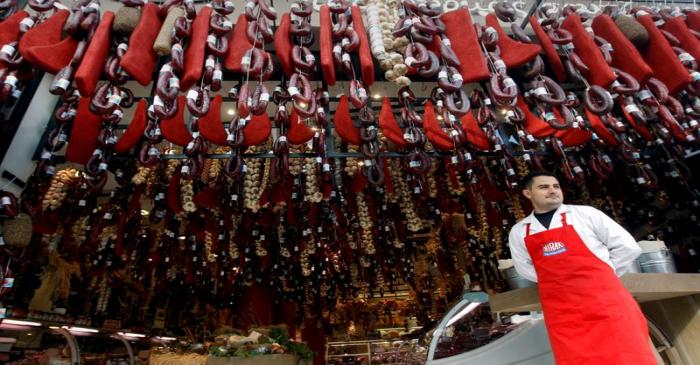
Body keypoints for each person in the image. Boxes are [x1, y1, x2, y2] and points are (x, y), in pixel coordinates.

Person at [508, 171, 656, 365]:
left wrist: (604, 273)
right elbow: (523, 268)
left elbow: (628, 247)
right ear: (528, 194)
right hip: (563, 314)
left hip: (606, 303)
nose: (552, 191)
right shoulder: (520, 230)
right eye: (544, 187)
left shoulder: (585, 214)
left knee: (628, 356)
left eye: (556, 186)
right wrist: (555, 280)